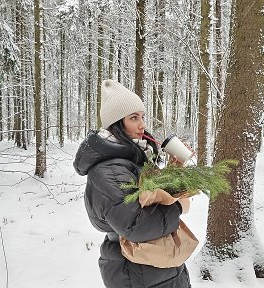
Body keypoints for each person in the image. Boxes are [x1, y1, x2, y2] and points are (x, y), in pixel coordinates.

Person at [73, 79, 192, 288]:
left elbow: (149, 196)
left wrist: (174, 171)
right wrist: (178, 206)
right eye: (134, 118)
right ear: (117, 123)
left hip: (156, 268)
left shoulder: (133, 159)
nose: (142, 124)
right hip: (136, 272)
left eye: (142, 116)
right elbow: (136, 225)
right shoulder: (108, 171)